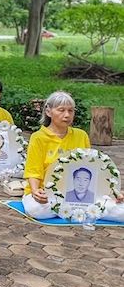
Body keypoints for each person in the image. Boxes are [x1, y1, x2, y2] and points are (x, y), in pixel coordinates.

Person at [21, 91, 124, 220]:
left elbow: (91, 168)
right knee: (36, 210)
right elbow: (33, 171)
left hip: (81, 196)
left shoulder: (81, 135)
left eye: (71, 111)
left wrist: (111, 192)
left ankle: (75, 209)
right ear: (48, 112)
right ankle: (83, 211)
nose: (67, 115)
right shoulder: (38, 138)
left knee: (121, 211)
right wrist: (36, 192)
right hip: (48, 194)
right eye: (61, 110)